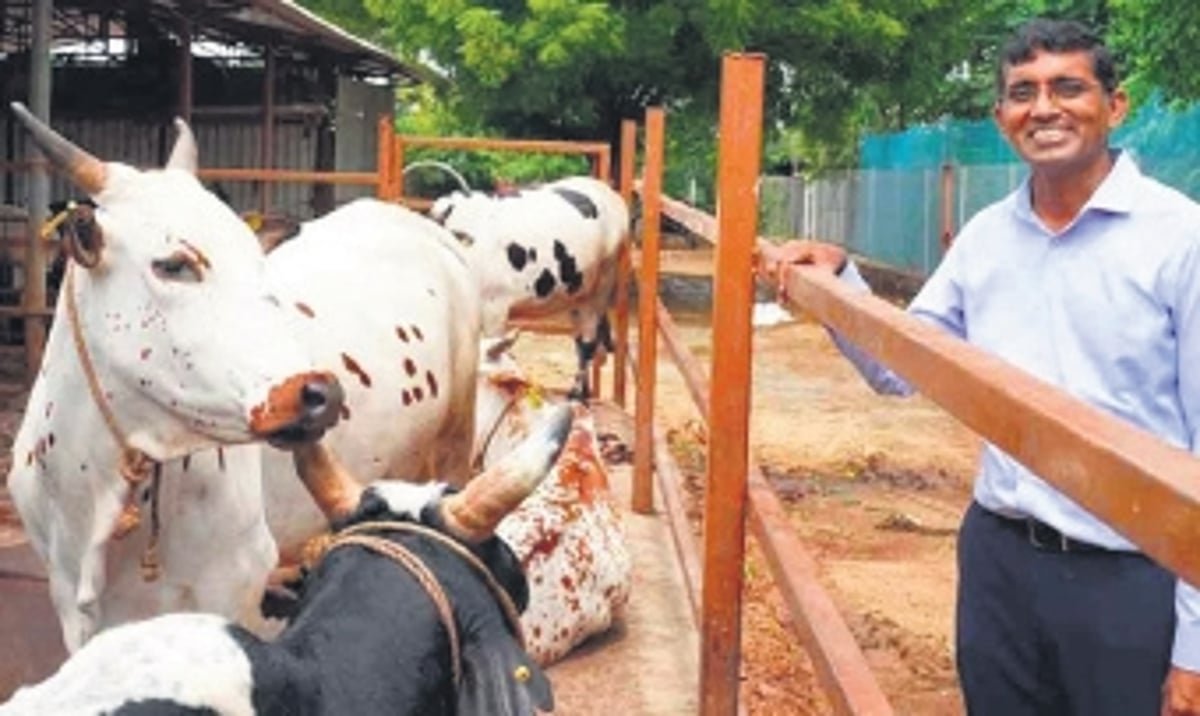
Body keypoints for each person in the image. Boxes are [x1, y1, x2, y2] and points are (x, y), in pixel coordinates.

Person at [757, 18, 1200, 716]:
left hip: (1131, 581)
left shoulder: (1181, 240)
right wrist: (842, 285)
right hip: (1000, 562)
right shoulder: (988, 238)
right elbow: (905, 368)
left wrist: (1194, 648)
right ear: (1000, 119)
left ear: (1115, 106)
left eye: (1068, 87)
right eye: (1023, 92)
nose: (1045, 107)